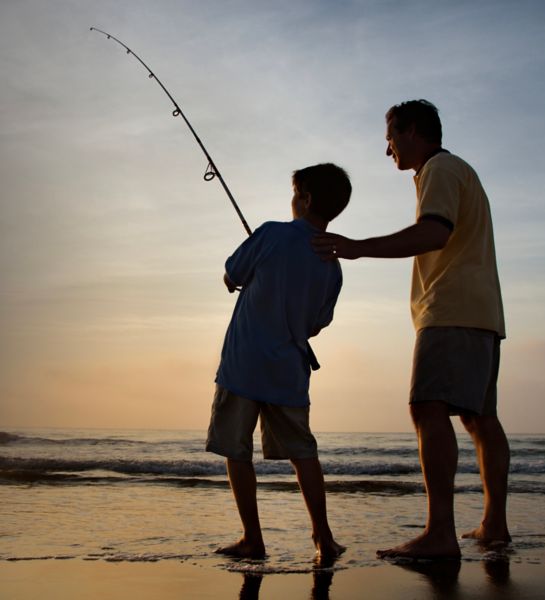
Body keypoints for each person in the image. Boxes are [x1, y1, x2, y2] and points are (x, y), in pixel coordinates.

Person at [312, 100, 510, 560]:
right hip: (482, 312)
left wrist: (357, 247)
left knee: (426, 408)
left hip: (450, 308)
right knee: (480, 418)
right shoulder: (460, 170)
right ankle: (494, 525)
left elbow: (433, 233)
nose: (388, 151)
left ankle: (440, 532)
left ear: (413, 132)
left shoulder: (439, 168)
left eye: (390, 138)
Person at [206, 162, 351, 562]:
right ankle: (323, 537)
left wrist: (243, 279)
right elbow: (318, 323)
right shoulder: (332, 265)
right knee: (303, 453)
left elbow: (231, 273)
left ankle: (252, 538)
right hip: (289, 370)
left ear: (304, 199)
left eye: (294, 194)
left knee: (238, 451)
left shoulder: (271, 233)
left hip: (243, 365)